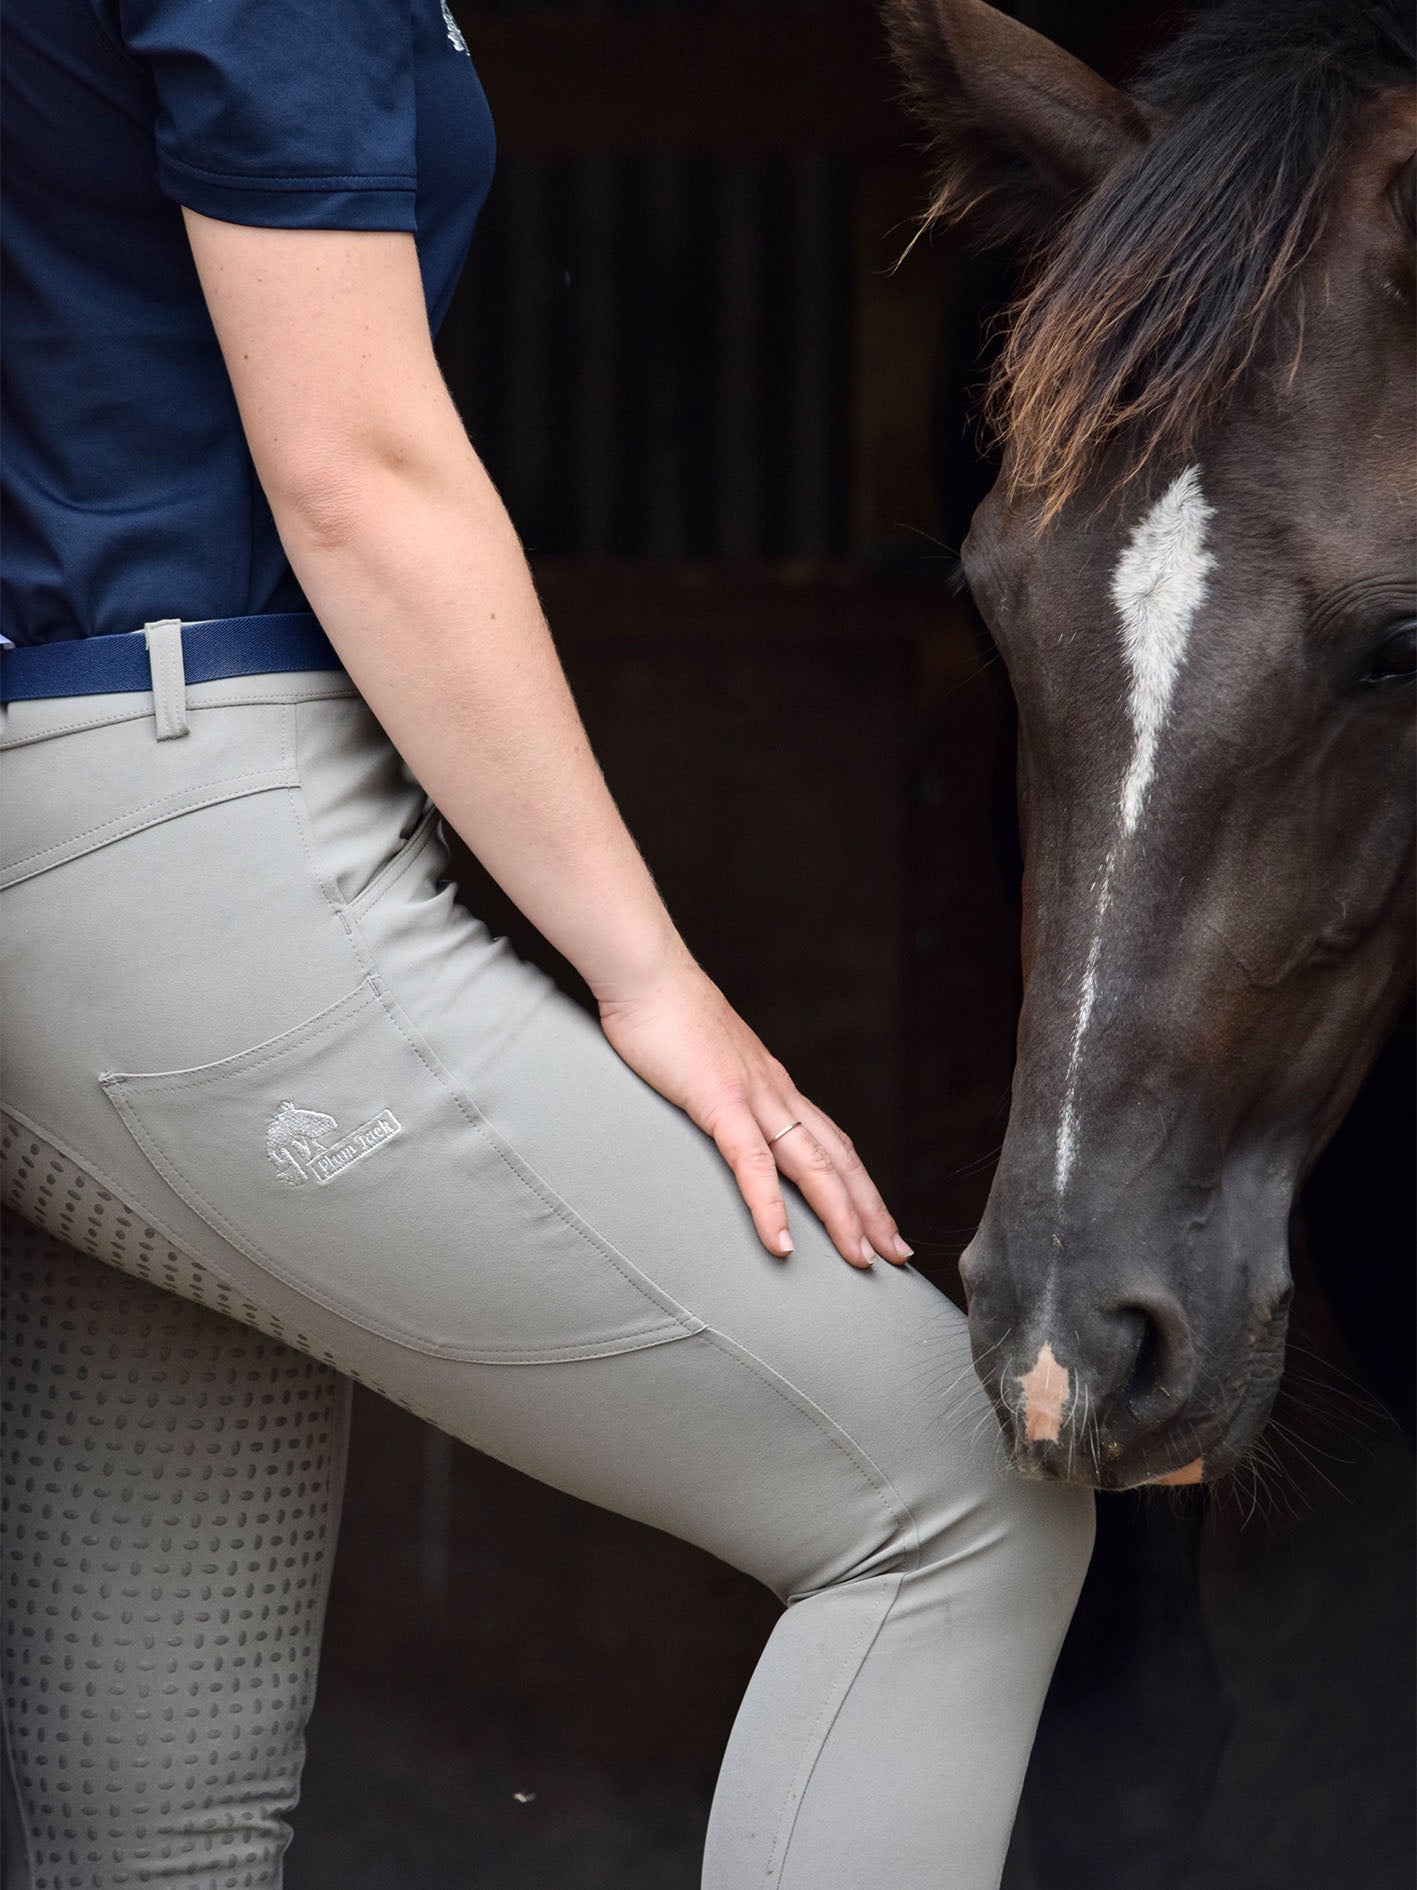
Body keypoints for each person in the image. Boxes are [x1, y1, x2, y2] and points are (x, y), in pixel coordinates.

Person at [0, 2, 1095, 1885]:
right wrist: (647, 973)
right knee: (950, 1506)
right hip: (186, 835)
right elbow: (358, 469)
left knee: (153, 1827)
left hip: (85, 862)